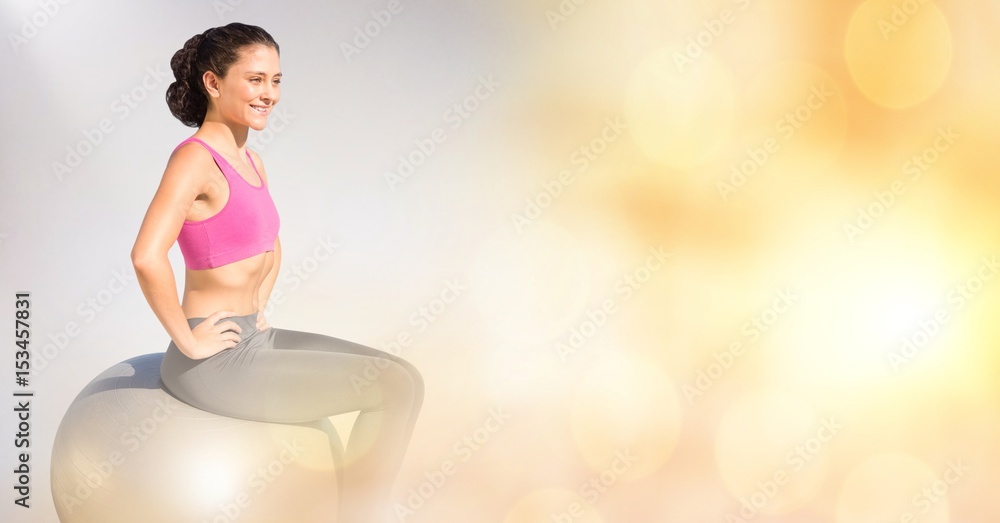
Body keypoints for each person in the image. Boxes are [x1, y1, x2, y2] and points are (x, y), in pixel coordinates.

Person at [130, 22, 423, 523]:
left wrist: (259, 306)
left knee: (405, 378)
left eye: (276, 81)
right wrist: (189, 340)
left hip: (250, 338)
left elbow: (268, 242)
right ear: (213, 83)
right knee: (393, 388)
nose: (269, 94)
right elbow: (145, 255)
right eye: (256, 80)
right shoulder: (193, 161)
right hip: (214, 361)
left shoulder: (251, 160)